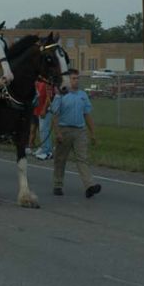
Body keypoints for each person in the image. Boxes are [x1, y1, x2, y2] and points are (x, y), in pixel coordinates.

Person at [51, 68, 101, 198]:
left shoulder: (82, 95)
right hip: (64, 130)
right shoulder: (61, 95)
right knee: (60, 159)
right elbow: (55, 115)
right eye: (73, 78)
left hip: (80, 131)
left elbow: (87, 115)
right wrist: (57, 133)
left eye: (77, 78)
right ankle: (58, 184)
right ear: (67, 80)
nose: (76, 81)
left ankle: (89, 185)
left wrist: (93, 133)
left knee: (82, 159)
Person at [34, 80, 54, 160]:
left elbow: (49, 96)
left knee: (44, 129)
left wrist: (44, 109)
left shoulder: (47, 81)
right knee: (42, 130)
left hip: (45, 110)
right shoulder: (39, 81)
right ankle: (43, 148)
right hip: (39, 108)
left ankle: (47, 151)